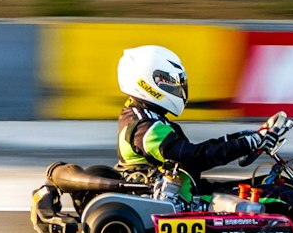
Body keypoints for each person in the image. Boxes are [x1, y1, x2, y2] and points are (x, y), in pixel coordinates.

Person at [115, 44, 273, 180]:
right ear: (145, 83)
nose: (177, 87)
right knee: (272, 197)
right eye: (168, 82)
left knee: (267, 185)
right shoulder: (145, 127)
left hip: (184, 191)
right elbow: (193, 158)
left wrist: (240, 138)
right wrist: (246, 144)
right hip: (177, 201)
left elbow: (192, 151)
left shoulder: (144, 117)